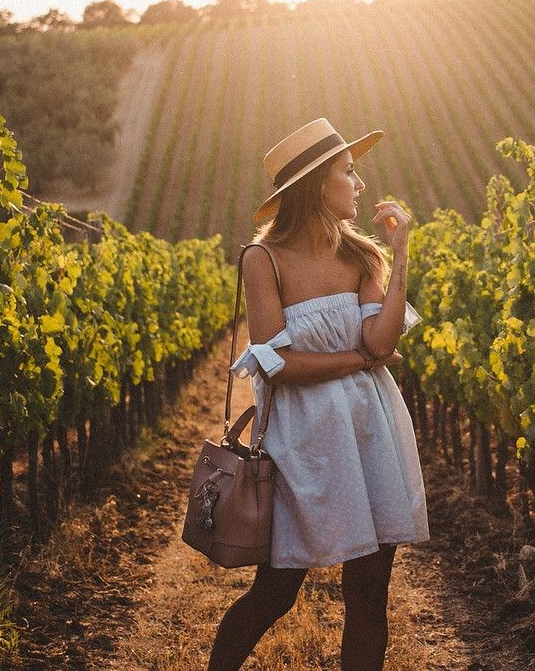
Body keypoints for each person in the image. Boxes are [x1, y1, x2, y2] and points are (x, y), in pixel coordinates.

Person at [207, 118, 430, 671]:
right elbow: (277, 363)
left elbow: (383, 337)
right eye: (348, 172)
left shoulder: (361, 256)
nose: (359, 184)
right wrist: (360, 360)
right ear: (315, 186)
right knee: (276, 593)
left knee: (369, 589)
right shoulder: (263, 260)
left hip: (368, 430)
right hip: (302, 442)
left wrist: (400, 254)